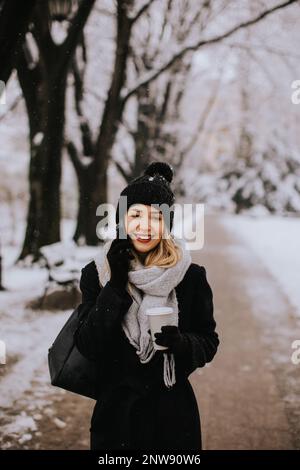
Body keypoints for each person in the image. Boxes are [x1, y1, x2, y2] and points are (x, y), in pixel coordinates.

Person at [74, 161, 219, 450]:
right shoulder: (97, 273)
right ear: (122, 219)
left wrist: (182, 343)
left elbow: (208, 341)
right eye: (136, 214)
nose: (144, 226)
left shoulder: (190, 276)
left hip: (173, 418)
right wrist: (115, 285)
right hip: (116, 419)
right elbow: (88, 345)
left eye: (155, 217)